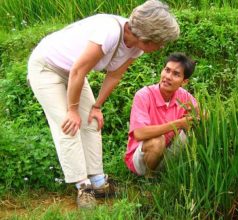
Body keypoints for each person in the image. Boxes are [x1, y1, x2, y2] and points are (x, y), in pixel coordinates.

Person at [27, 0, 179, 209]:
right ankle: (83, 187)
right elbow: (79, 71)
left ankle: (98, 181)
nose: (161, 47)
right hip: (47, 67)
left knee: (90, 121)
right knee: (68, 125)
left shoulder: (136, 49)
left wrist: (97, 106)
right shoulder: (108, 32)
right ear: (148, 35)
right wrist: (72, 110)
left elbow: (114, 75)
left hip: (74, 72)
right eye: (160, 41)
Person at [125, 53, 197, 176]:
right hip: (142, 161)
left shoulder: (184, 96)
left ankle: (181, 173)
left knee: (195, 128)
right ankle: (149, 178)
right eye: (167, 70)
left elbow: (201, 115)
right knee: (158, 140)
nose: (168, 77)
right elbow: (139, 133)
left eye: (176, 74)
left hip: (167, 156)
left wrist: (198, 118)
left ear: (184, 81)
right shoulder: (144, 95)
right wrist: (178, 124)